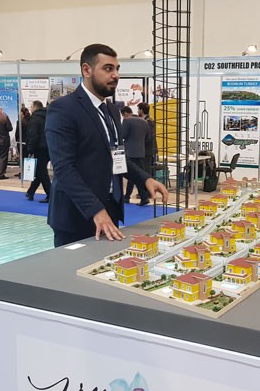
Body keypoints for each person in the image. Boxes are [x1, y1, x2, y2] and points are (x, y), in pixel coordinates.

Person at [45, 43, 168, 247]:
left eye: (117, 69)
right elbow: (64, 168)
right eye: (108, 68)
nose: (115, 75)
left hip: (110, 210)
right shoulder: (63, 109)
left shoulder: (111, 110)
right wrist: (95, 210)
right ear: (87, 70)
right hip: (76, 215)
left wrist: (145, 179)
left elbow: (117, 156)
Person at [121, 106, 151, 206]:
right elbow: (148, 138)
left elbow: (122, 135)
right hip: (141, 152)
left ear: (125, 114)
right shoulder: (144, 122)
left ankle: (135, 197)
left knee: (133, 175)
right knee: (136, 175)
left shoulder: (127, 121)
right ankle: (136, 197)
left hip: (130, 152)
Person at [25, 100, 50, 203]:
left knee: (42, 172)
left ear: (34, 107)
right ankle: (30, 192)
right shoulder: (48, 116)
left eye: (31, 106)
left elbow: (33, 135)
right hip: (48, 146)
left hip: (39, 148)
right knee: (39, 170)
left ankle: (50, 194)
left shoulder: (34, 118)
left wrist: (30, 149)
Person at [138, 102, 157, 174]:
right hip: (145, 150)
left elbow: (149, 136)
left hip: (147, 150)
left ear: (141, 110)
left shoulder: (149, 121)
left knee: (146, 170)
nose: (137, 111)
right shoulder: (145, 120)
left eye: (138, 109)